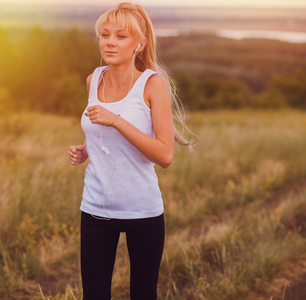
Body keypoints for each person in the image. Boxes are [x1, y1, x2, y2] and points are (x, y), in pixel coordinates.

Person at [68, 2, 192, 299]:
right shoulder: (93, 80)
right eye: (105, 34)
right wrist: (87, 149)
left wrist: (116, 122)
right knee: (94, 295)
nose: (110, 42)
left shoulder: (152, 85)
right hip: (95, 207)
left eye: (120, 36)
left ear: (140, 44)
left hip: (142, 210)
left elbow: (164, 155)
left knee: (143, 294)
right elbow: (101, 131)